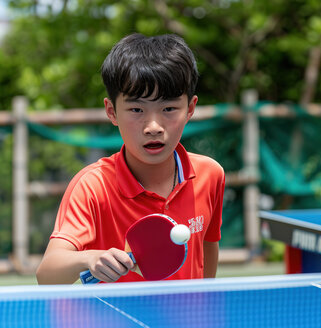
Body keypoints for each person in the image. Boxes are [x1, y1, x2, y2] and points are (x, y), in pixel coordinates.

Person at [36, 33, 225, 284]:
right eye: (136, 110)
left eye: (169, 109)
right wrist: (90, 259)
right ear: (112, 112)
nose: (153, 126)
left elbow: (208, 248)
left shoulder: (210, 175)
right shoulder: (93, 186)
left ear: (190, 109)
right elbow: (47, 273)